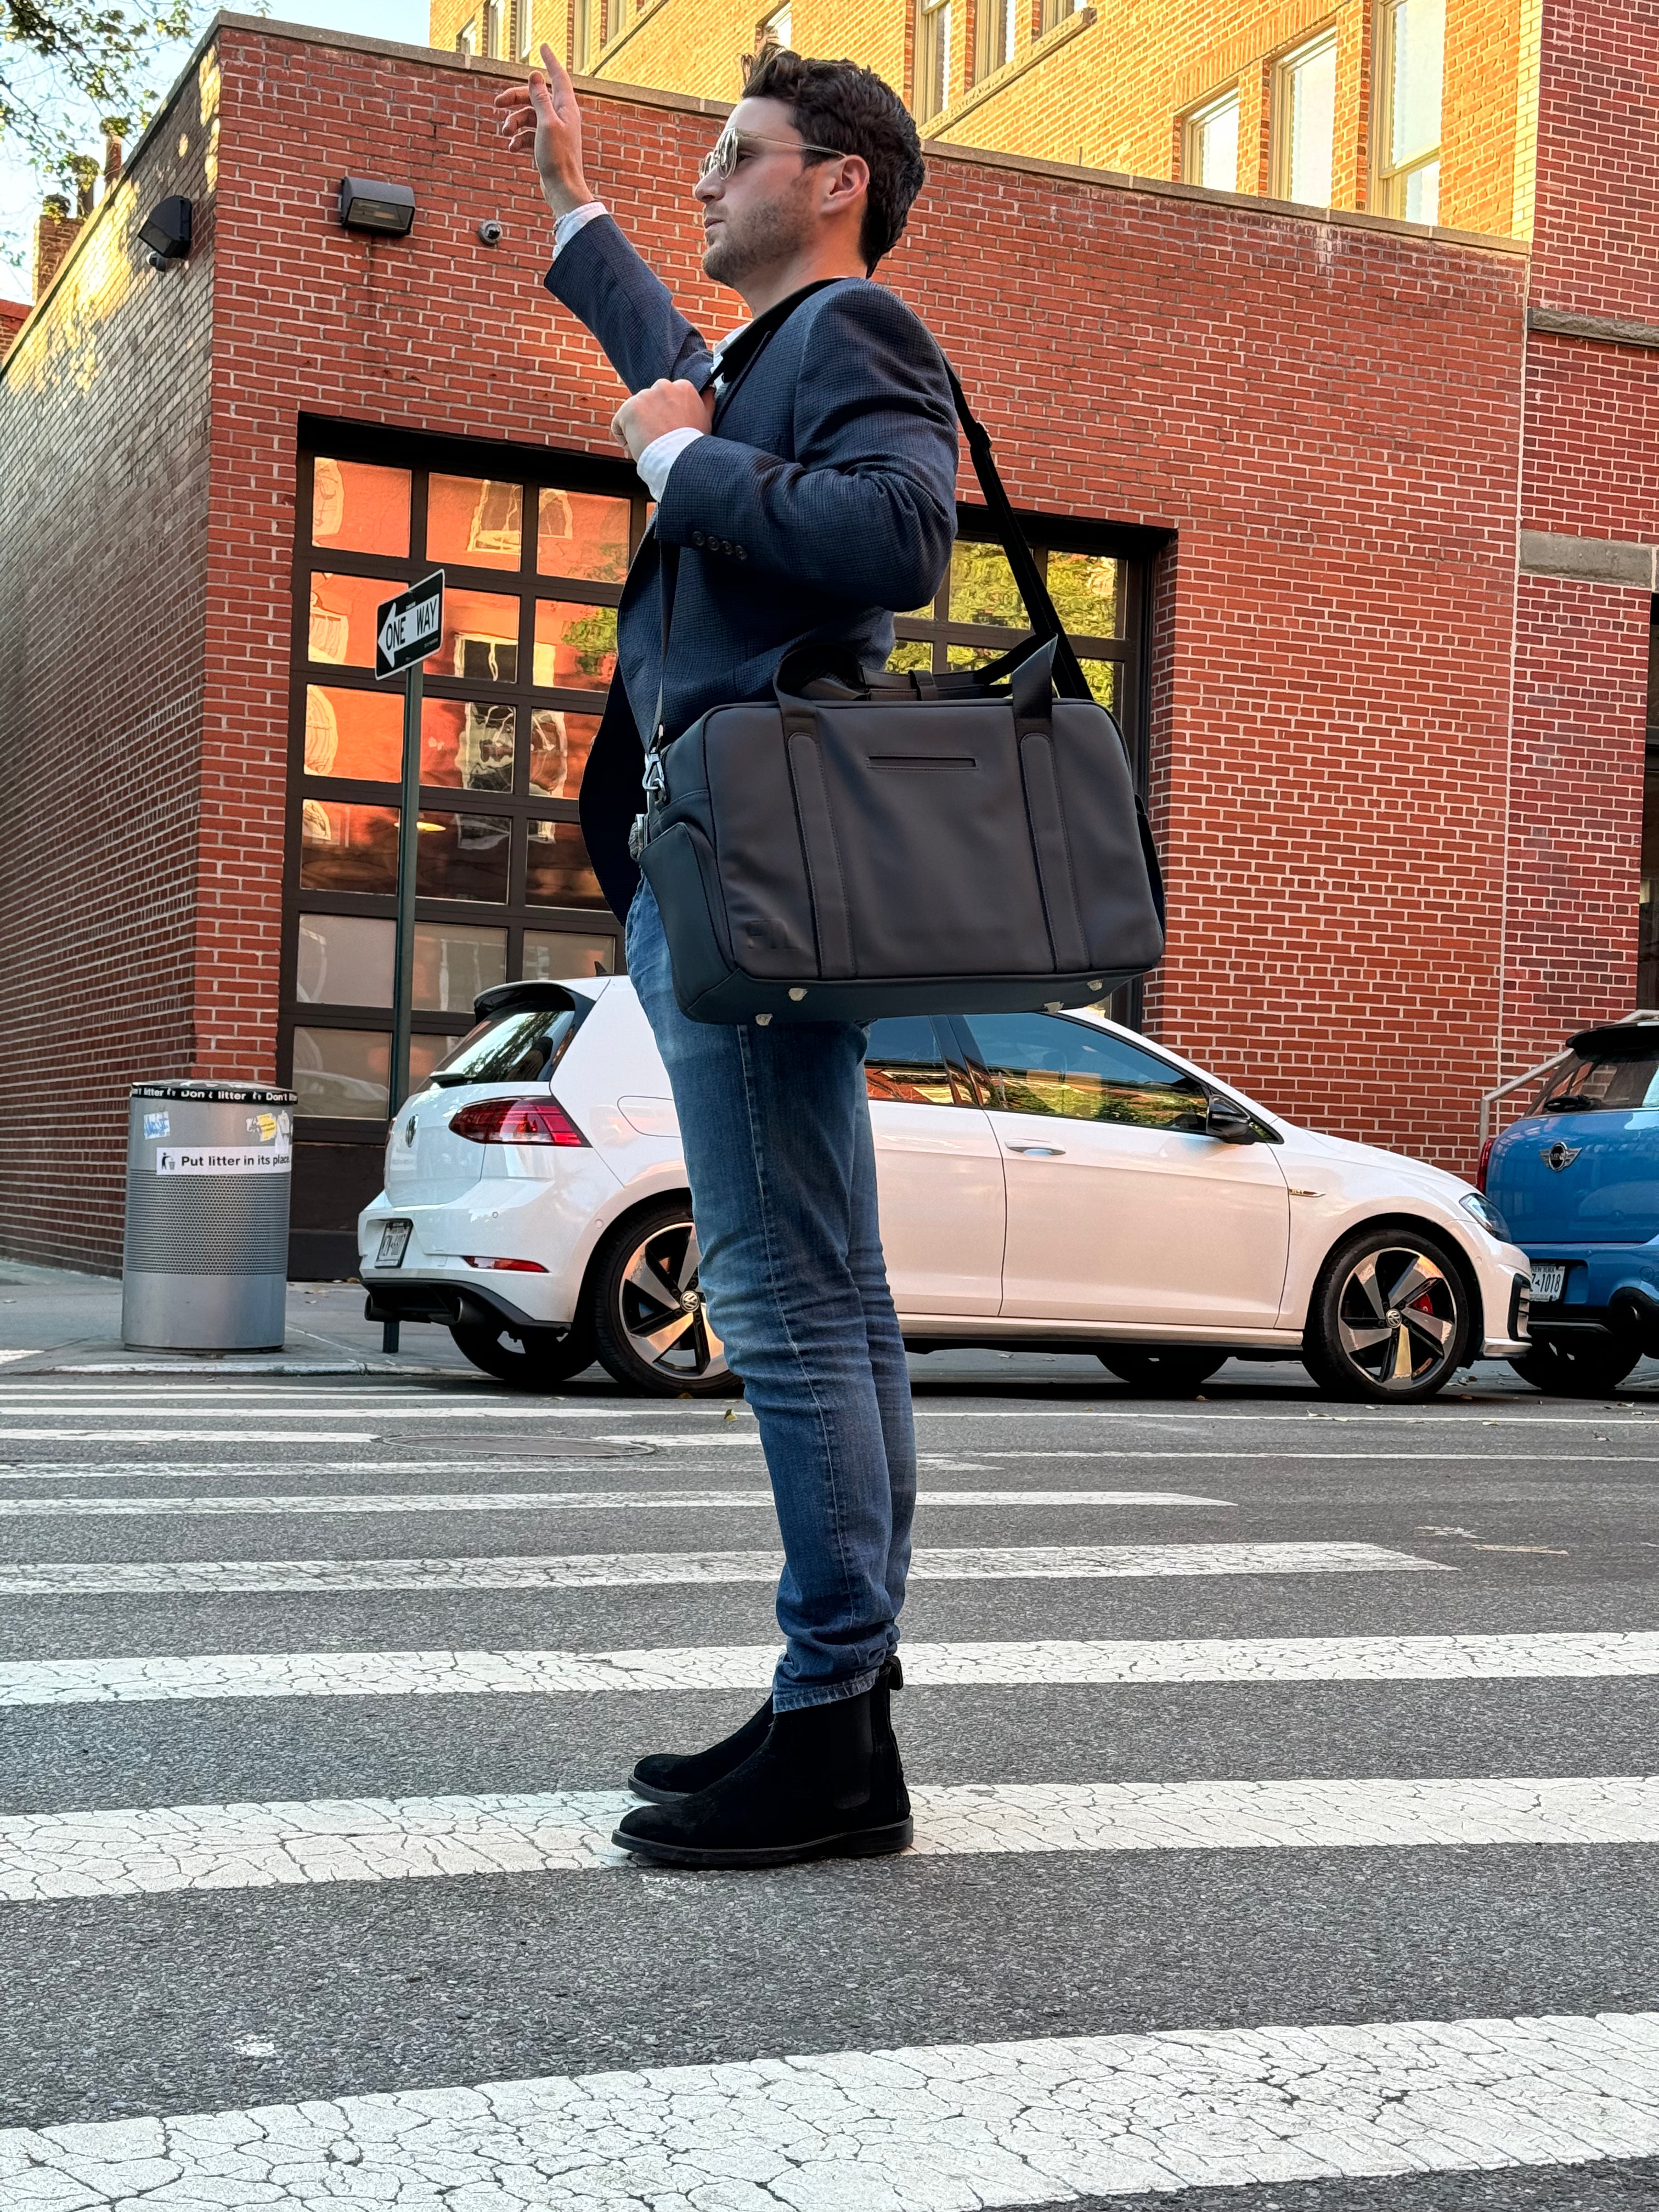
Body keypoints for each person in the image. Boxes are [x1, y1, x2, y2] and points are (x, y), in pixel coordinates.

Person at [495, 44, 959, 1867]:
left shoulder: (857, 333)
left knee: (782, 1295)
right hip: (737, 853)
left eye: (738, 152)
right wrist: (572, 197)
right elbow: (665, 361)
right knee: (831, 1288)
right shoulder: (774, 354)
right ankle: (839, 1707)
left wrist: (682, 462)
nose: (706, 178)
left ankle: (833, 1727)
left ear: (838, 182)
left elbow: (900, 534)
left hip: (756, 854)